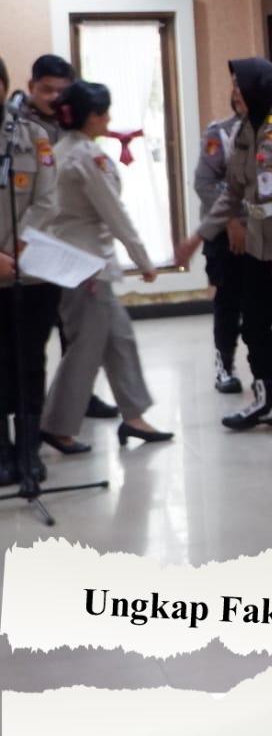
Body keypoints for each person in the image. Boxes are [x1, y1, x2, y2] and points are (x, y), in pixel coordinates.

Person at [176, 58, 272, 437]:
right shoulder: (245, 130)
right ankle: (266, 401)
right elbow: (233, 192)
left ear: (258, 89)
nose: (234, 92)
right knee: (255, 325)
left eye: (239, 85)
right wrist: (199, 236)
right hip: (258, 247)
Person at [39, 81, 172, 449]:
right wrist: (143, 259)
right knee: (86, 348)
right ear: (90, 117)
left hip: (79, 263)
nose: (109, 119)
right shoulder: (85, 157)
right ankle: (56, 424)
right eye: (104, 113)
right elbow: (114, 212)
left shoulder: (62, 150)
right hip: (86, 267)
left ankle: (134, 417)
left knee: (120, 340)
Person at [22, 54, 120, 432]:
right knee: (32, 337)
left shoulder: (70, 124)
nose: (53, 97)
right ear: (31, 87)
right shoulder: (18, 126)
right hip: (30, 243)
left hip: (68, 246)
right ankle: (31, 415)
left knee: (75, 332)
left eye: (61, 91)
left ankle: (80, 397)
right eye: (46, 89)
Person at [0, 58, 61, 484]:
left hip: (30, 271)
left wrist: (17, 247)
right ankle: (1, 451)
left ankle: (28, 449)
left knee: (29, 361)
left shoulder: (33, 136)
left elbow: (48, 200)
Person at [194, 88, 249, 394]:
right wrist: (231, 221)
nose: (237, 94)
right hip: (224, 233)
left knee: (269, 299)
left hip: (263, 233)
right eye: (235, 88)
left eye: (245, 88)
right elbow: (204, 184)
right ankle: (225, 364)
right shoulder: (219, 134)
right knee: (228, 300)